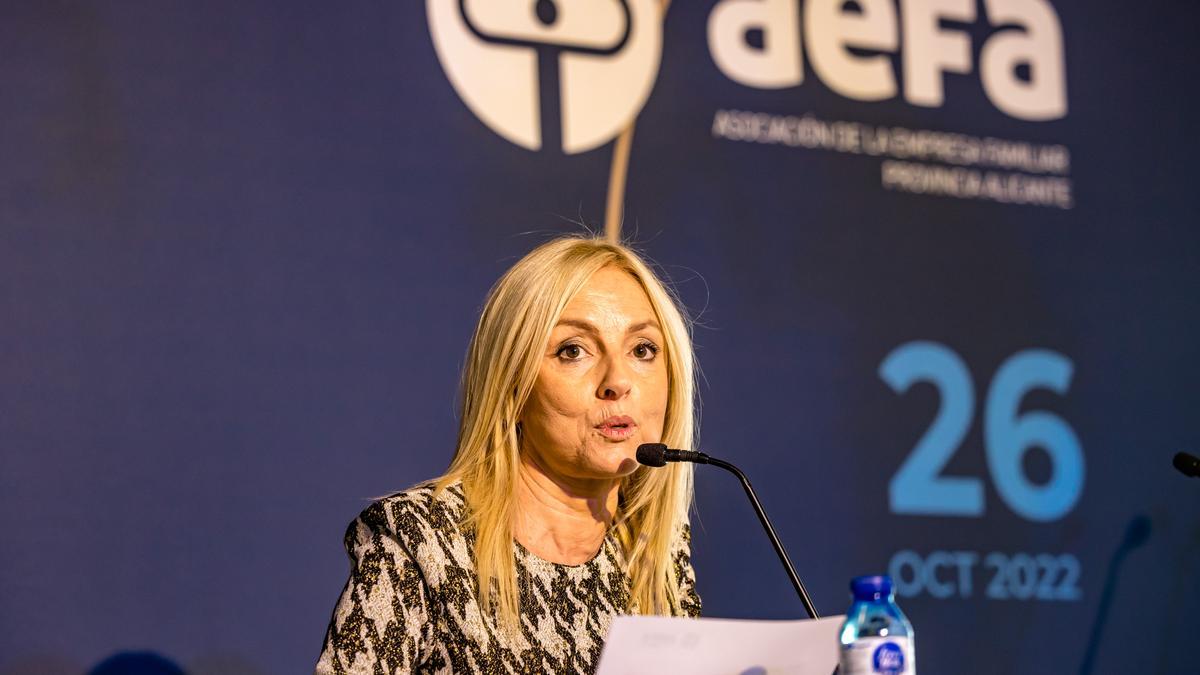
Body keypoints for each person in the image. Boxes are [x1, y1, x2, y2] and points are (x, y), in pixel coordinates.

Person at [315, 235, 701, 674]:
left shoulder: (654, 548)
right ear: (512, 383)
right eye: (573, 350)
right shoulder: (423, 542)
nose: (618, 380)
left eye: (642, 350)